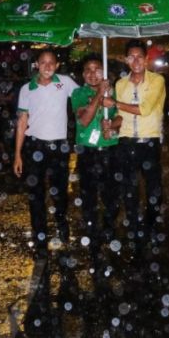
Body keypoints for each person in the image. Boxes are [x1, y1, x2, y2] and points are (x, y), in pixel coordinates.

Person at [13, 49, 79, 256]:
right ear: (36, 65)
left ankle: (61, 220)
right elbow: (22, 121)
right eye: (43, 62)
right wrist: (17, 153)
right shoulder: (27, 89)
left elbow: (82, 97)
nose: (48, 66)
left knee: (59, 191)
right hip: (35, 147)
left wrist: (101, 89)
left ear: (57, 65)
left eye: (51, 63)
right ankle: (39, 234)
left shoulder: (65, 83)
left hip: (59, 146)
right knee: (35, 194)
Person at [113, 39, 166, 247]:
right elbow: (119, 115)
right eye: (131, 57)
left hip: (149, 142)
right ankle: (134, 229)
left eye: (139, 56)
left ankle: (150, 226)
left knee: (154, 190)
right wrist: (111, 124)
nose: (135, 61)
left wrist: (115, 103)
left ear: (147, 59)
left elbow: (144, 109)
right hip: (126, 142)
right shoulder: (120, 84)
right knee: (129, 189)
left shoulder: (157, 81)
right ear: (126, 60)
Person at [70, 54, 122, 254]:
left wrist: (112, 126)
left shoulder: (115, 91)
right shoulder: (78, 93)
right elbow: (84, 119)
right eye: (88, 70)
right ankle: (91, 231)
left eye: (97, 69)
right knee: (88, 194)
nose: (93, 74)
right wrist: (100, 96)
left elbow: (120, 117)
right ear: (83, 75)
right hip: (88, 152)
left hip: (110, 149)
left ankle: (109, 229)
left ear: (105, 71)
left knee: (111, 194)